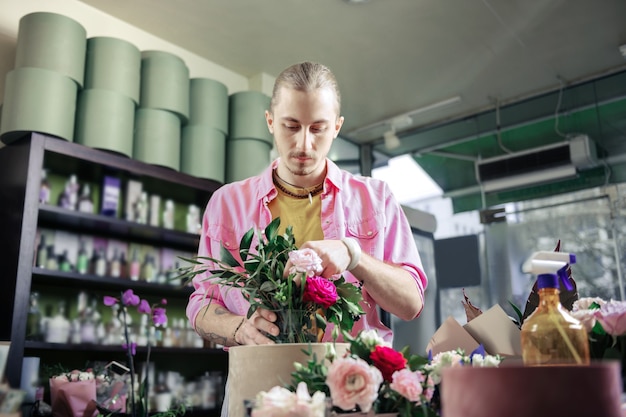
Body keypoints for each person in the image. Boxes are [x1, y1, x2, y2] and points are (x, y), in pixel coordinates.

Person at [186, 60, 427, 346]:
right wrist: (239, 328)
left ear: (337, 127)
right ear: (270, 121)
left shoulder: (376, 199)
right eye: (291, 126)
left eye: (317, 129)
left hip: (352, 380)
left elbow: (411, 303)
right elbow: (202, 302)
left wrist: (354, 255)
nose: (303, 144)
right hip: (259, 381)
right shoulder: (226, 204)